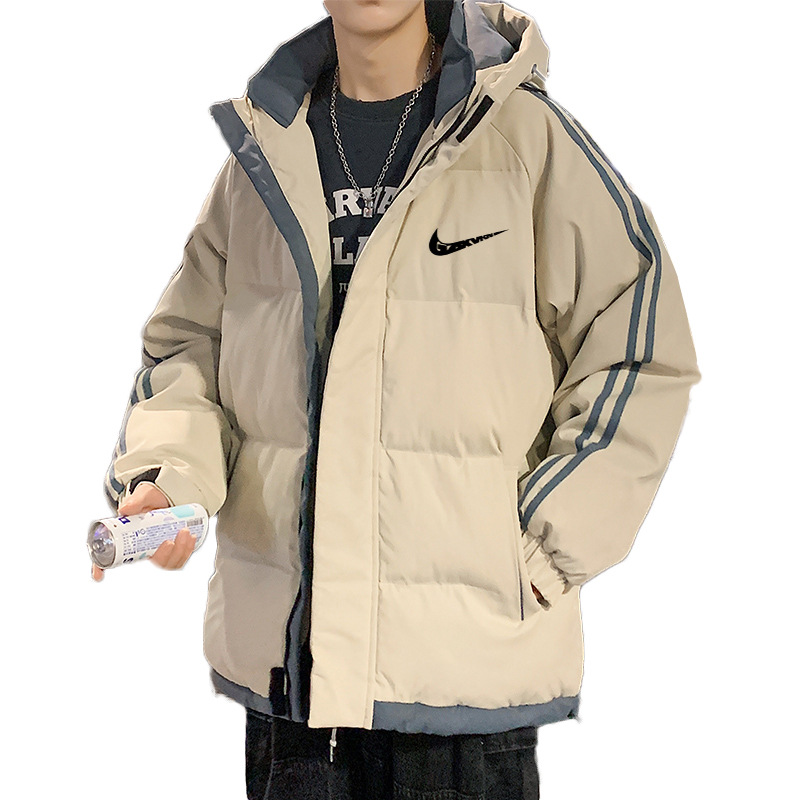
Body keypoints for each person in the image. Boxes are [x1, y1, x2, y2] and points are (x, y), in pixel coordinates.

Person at [94, 1, 701, 797]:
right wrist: (167, 479)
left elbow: (641, 348)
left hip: (464, 699)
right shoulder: (265, 155)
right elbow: (189, 350)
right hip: (295, 695)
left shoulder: (523, 140)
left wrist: (541, 550)